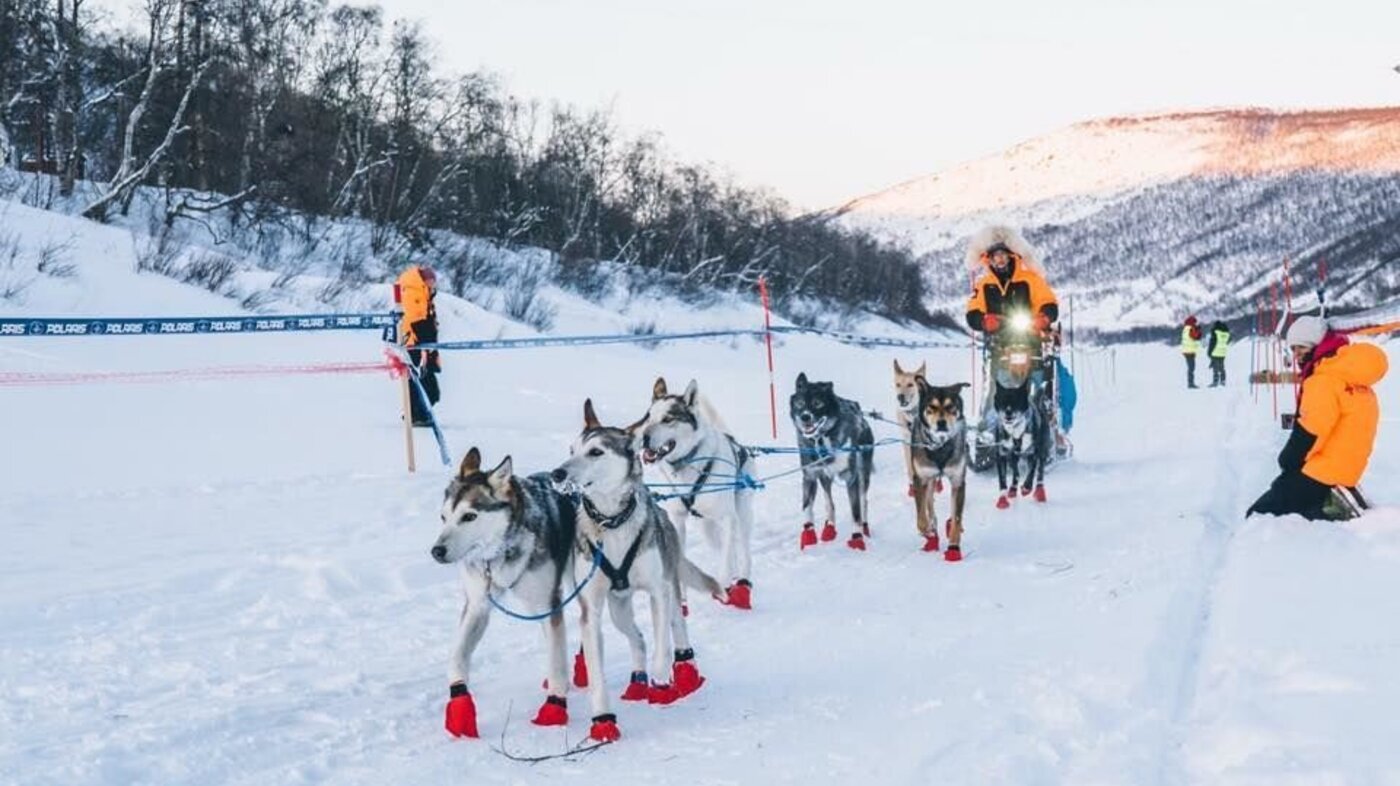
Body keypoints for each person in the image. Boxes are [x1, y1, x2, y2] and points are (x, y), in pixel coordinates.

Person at [1247, 315, 1388, 520]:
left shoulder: (1322, 381)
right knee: (1287, 489)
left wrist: (1288, 460)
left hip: (1323, 473)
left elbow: (1312, 431)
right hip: (1348, 469)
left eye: (1301, 348)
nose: (1296, 356)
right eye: (1293, 349)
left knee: (1259, 514)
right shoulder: (1354, 378)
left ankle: (1330, 510)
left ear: (1315, 345)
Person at [397, 264, 441, 427]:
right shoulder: (414, 293)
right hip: (415, 345)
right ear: (425, 280)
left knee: (426, 384)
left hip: (423, 345)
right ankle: (415, 414)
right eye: (431, 281)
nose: (433, 285)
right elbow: (416, 320)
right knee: (421, 383)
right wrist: (426, 342)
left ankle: (420, 413)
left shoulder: (423, 294)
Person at [1181, 316, 1202, 388]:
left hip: (1186, 350)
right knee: (1191, 368)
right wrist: (1198, 330)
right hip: (1190, 351)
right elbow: (1195, 336)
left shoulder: (1185, 329)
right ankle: (1191, 384)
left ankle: (1190, 383)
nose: (1196, 324)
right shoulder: (1191, 328)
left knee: (1191, 367)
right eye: (1195, 322)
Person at [1207, 320, 1230, 387]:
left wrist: (1209, 353)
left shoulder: (1215, 333)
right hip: (1223, 353)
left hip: (1215, 352)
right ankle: (1223, 381)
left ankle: (1215, 382)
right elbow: (1227, 342)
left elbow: (1212, 344)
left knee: (1215, 368)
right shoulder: (1226, 334)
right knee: (1222, 367)